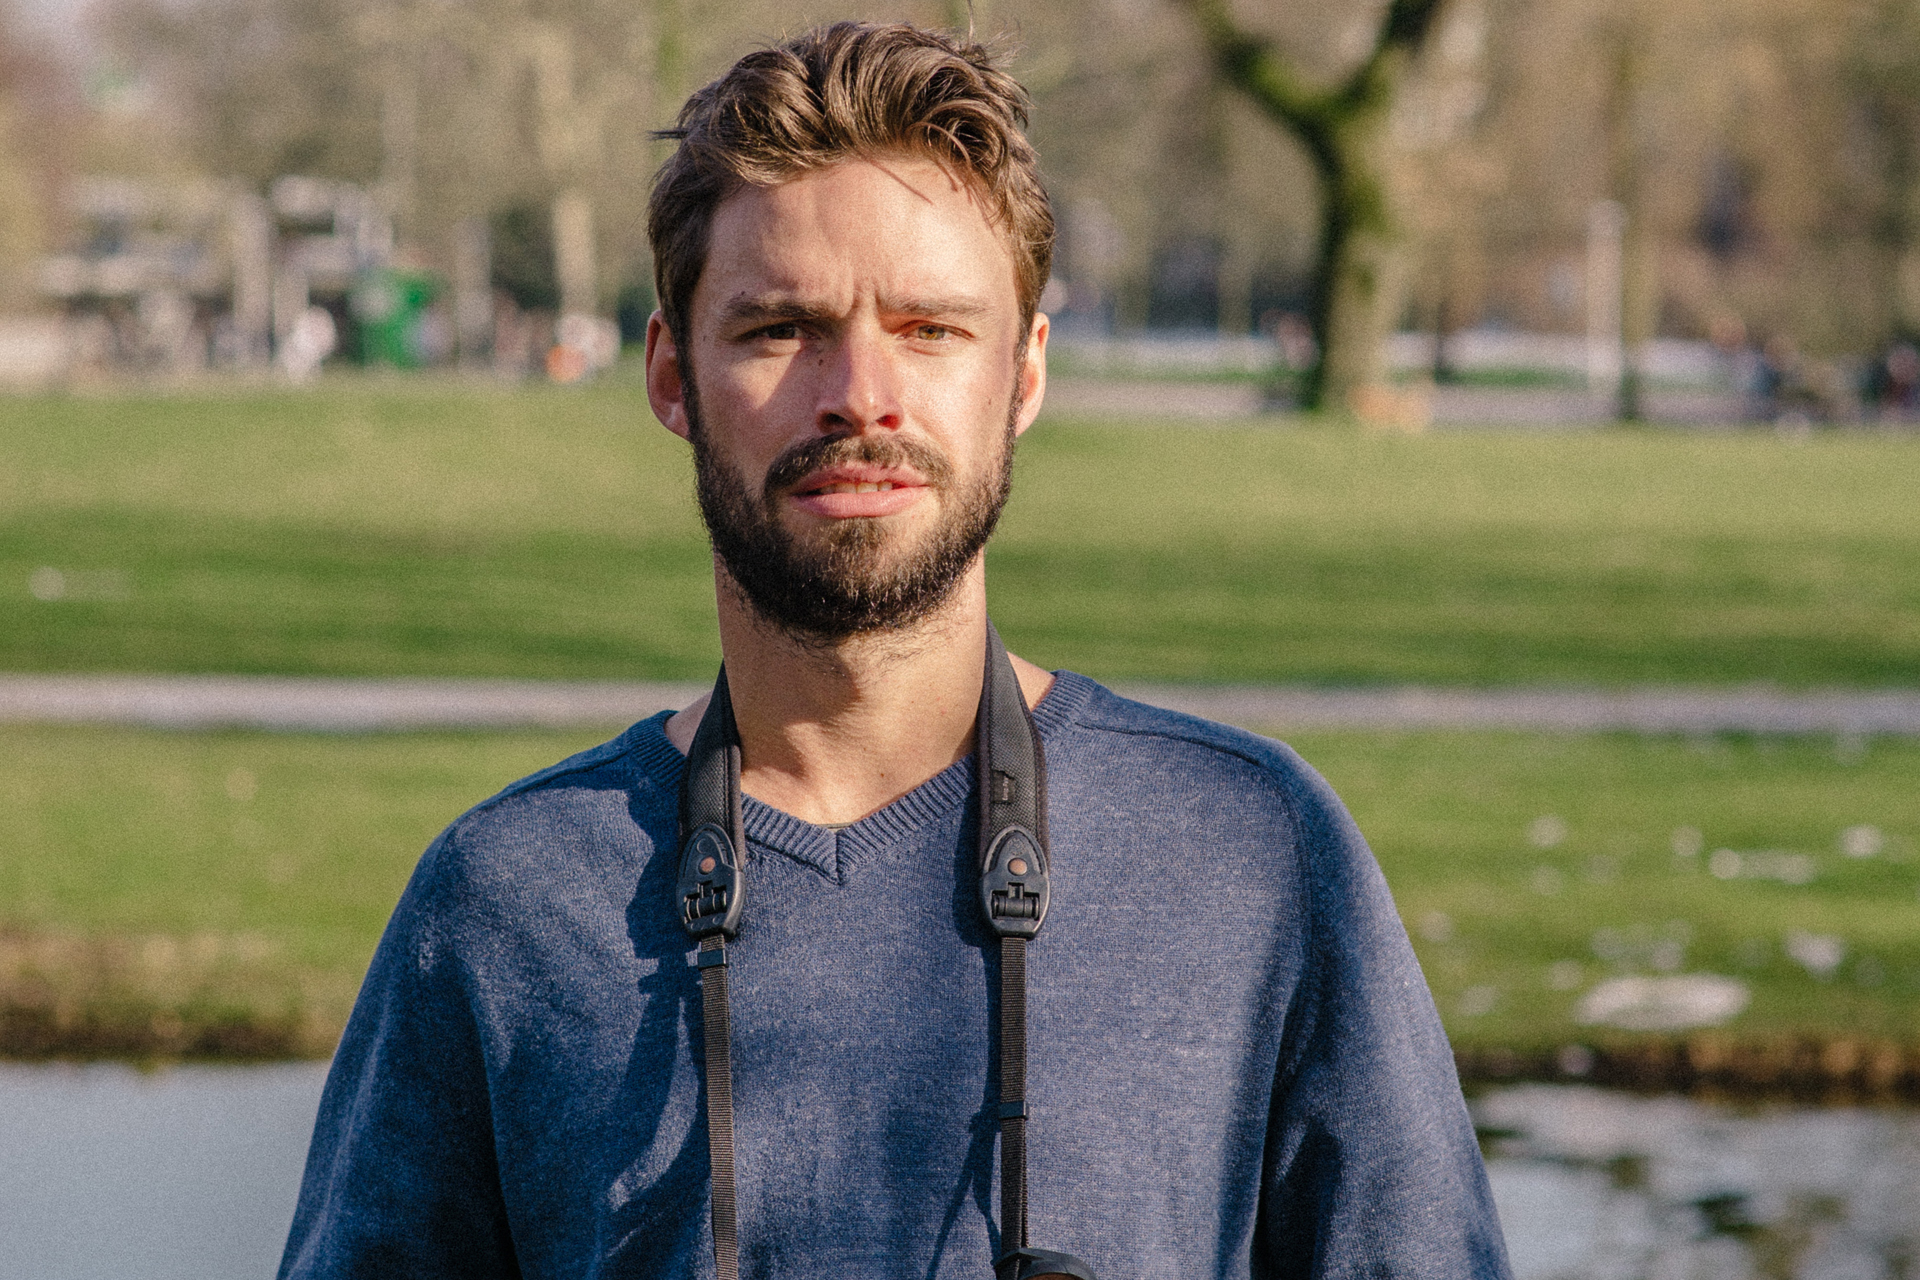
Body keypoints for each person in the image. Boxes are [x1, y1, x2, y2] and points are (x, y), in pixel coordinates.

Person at [279, 21, 1510, 1280]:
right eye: (778, 329)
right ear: (669, 375)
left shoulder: (1252, 852)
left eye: (929, 328)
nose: (860, 393)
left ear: (1025, 372)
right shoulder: (505, 903)